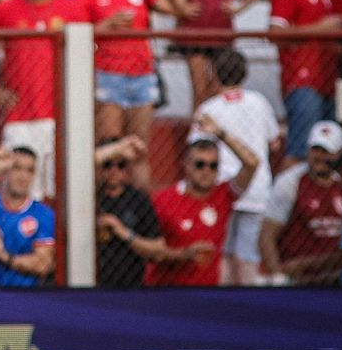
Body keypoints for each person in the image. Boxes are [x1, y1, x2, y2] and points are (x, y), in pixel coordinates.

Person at [0, 0, 87, 200]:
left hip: (60, 115)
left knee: (58, 193)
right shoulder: (5, 10)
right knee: (17, 191)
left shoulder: (72, 9)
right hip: (18, 115)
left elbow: (86, 60)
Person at [78, 0, 176, 189]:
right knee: (110, 150)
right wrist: (107, 25)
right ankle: (103, 211)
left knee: (139, 150)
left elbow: (176, 9)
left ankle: (142, 210)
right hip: (108, 74)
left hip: (142, 73)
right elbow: (76, 36)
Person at [185, 50, 278, 285]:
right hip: (256, 184)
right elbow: (274, 141)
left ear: (215, 74)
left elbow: (196, 145)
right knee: (248, 253)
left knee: (223, 252)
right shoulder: (259, 102)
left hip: (221, 187)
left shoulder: (209, 108)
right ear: (244, 74)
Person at [147, 115, 260, 287]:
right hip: (166, 289)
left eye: (213, 166)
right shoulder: (163, 199)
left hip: (207, 291)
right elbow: (150, 251)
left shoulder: (223, 195)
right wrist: (184, 255)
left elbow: (252, 163)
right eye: (200, 164)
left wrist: (221, 133)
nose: (207, 171)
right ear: (186, 165)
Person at [268, 0, 342, 161]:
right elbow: (275, 33)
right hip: (302, 81)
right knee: (300, 152)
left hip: (325, 80)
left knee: (327, 156)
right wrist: (321, 28)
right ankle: (286, 194)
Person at [259, 121, 342, 286]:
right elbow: (267, 235)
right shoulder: (291, 182)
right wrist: (278, 277)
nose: (320, 157)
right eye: (316, 149)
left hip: (335, 276)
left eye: (327, 151)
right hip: (297, 278)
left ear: (339, 154)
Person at [0, 146, 56, 286]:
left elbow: (43, 264)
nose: (23, 176)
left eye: (29, 170)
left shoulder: (42, 214)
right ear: (6, 171)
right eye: (17, 168)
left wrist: (5, 257)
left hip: (22, 297)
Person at [94, 135, 161, 288]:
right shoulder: (88, 197)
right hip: (93, 283)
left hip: (131, 285)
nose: (114, 171)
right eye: (107, 165)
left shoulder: (138, 200)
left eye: (121, 165)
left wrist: (123, 231)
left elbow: (158, 250)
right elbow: (79, 167)